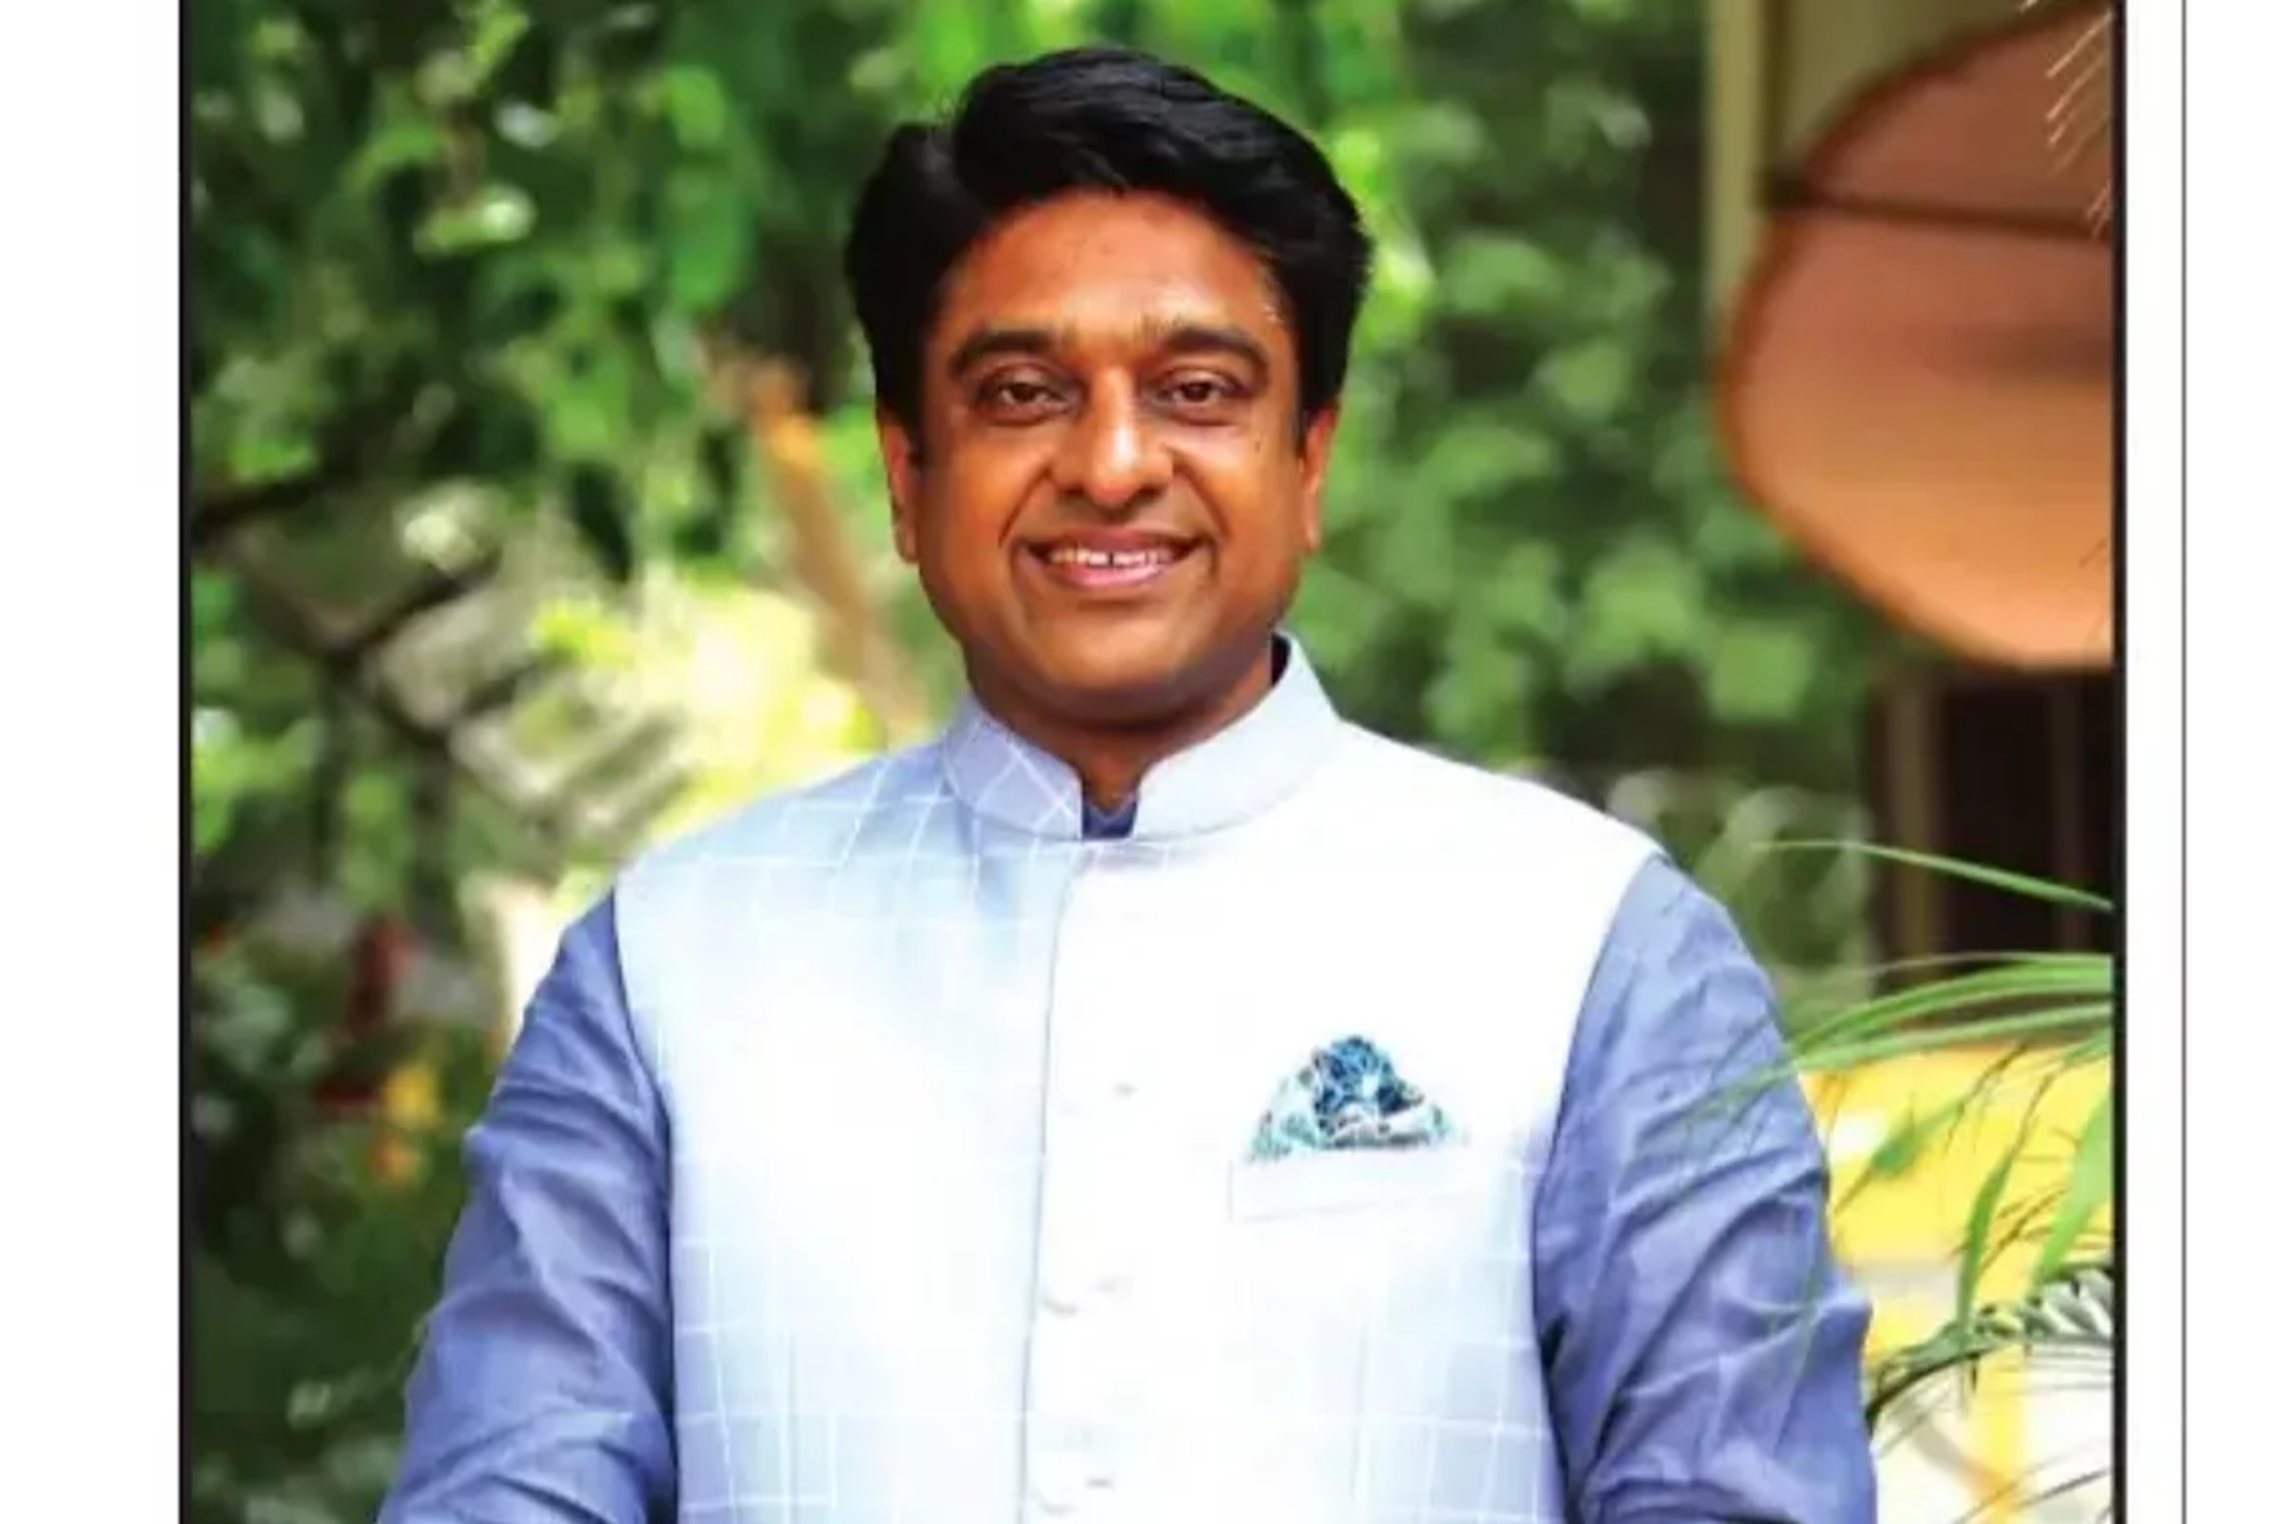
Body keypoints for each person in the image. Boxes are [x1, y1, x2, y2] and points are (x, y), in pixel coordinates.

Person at [379, 44, 1877, 1524]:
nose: (1110, 462)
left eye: (1197, 389)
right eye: (1022, 391)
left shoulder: (1591, 949)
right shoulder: (669, 967)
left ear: (1309, 460)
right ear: (907, 473)